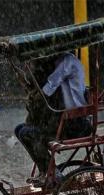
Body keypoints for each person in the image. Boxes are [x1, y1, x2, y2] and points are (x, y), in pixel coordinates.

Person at [15, 52, 92, 186]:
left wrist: (29, 86)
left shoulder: (67, 61)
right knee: (20, 130)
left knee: (28, 133)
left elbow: (48, 89)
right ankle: (45, 171)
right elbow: (42, 96)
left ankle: (53, 173)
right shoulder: (55, 64)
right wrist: (26, 84)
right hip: (64, 120)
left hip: (75, 123)